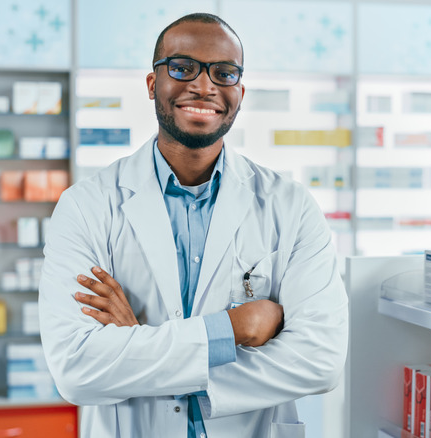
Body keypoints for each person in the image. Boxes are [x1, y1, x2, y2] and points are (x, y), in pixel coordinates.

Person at [39, 12, 348, 438]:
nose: (204, 86)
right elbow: (75, 368)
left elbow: (320, 361)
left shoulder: (290, 207)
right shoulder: (87, 206)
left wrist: (141, 345)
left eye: (224, 73)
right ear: (153, 85)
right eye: (183, 67)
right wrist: (232, 330)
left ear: (239, 91)